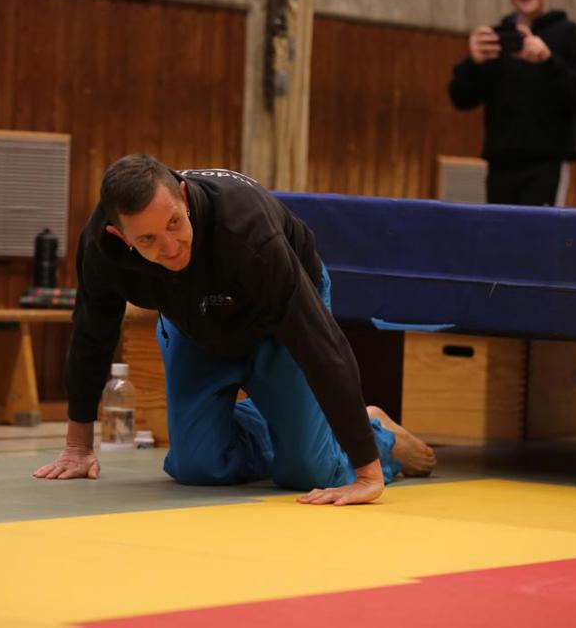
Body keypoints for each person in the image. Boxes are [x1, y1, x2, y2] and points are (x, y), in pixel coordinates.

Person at [33, 154, 436, 505]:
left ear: (184, 197)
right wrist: (78, 446)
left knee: (308, 471)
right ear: (120, 236)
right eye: (148, 239)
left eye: (174, 223)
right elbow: (92, 334)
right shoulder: (101, 249)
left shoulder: (245, 227)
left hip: (280, 322)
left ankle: (375, 433)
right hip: (195, 323)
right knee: (197, 467)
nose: (170, 247)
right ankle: (302, 425)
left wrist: (367, 473)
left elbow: (320, 342)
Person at [448, 0, 576, 206]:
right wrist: (473, 62)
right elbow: (461, 99)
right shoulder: (494, 39)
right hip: (500, 161)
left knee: (540, 230)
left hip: (548, 163)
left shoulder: (572, 36)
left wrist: (548, 60)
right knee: (501, 230)